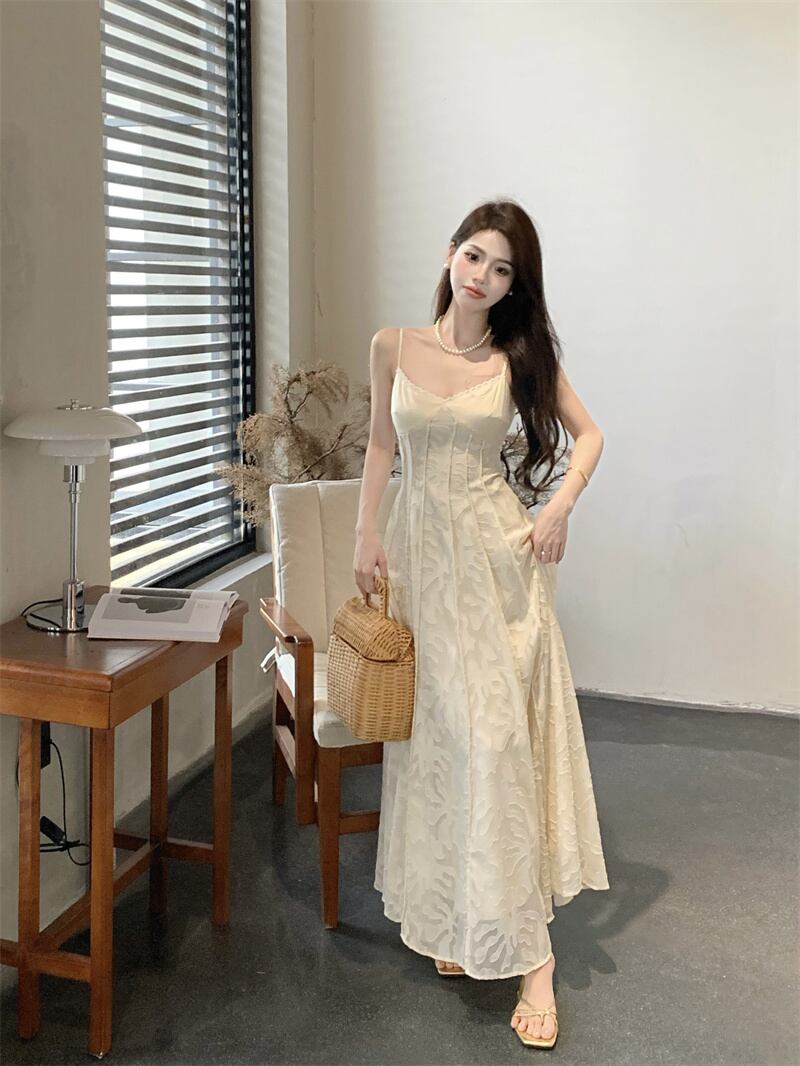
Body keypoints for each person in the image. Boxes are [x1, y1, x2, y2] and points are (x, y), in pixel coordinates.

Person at [353, 198, 610, 1049]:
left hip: (494, 558)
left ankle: (534, 959)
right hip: (418, 559)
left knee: (497, 743)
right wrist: (363, 533)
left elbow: (590, 436)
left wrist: (559, 505)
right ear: (450, 253)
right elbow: (381, 448)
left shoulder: (517, 355)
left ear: (513, 285)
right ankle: (457, 912)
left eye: (502, 269)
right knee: (438, 741)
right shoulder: (394, 345)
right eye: (474, 257)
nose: (483, 277)